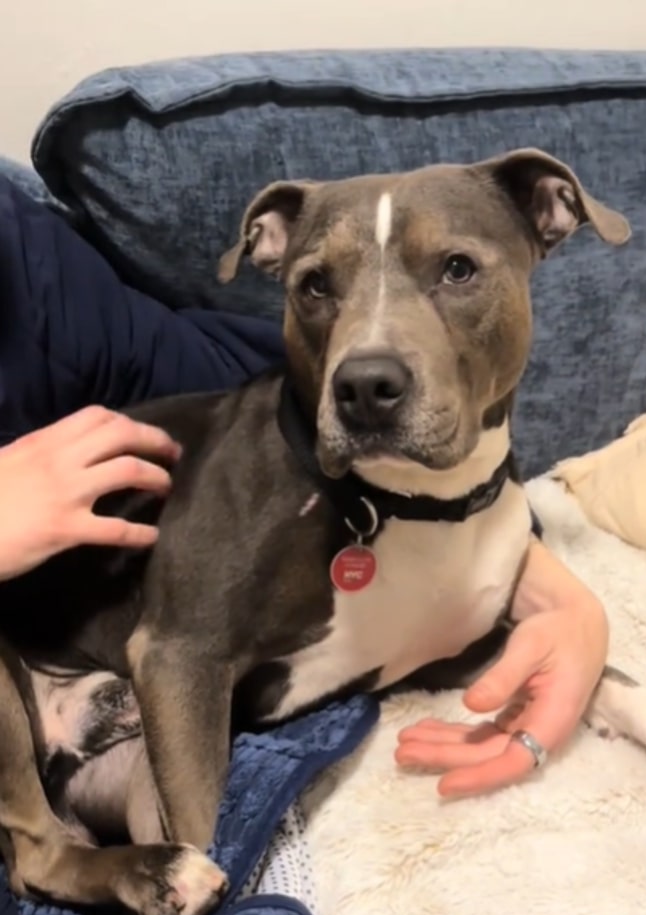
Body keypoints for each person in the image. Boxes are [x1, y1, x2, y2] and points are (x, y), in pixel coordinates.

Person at [0, 172, 608, 797]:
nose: (367, 363)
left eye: (456, 270)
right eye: (318, 284)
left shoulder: (27, 267)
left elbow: (241, 401)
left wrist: (555, 594)